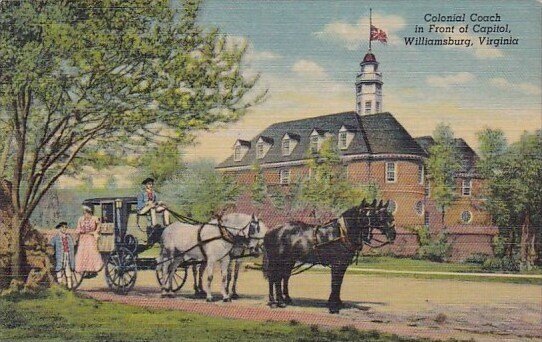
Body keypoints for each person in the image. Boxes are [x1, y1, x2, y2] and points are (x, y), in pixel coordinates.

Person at [75, 205, 103, 276]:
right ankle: (84, 270)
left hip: (91, 237)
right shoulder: (81, 219)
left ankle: (92, 270)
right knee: (82, 253)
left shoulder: (94, 219)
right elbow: (78, 228)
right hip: (83, 238)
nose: (85, 214)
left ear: (89, 212)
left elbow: (99, 226)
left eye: (86, 213)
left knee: (91, 253)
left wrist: (95, 232)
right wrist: (79, 232)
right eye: (84, 213)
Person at [50, 221, 76, 287]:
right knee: (59, 269)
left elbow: (72, 247)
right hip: (59, 256)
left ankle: (69, 286)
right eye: (62, 227)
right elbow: (51, 246)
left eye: (65, 227)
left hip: (68, 255)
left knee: (68, 269)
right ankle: (60, 285)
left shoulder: (69, 237)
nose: (64, 229)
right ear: (59, 228)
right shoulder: (56, 238)